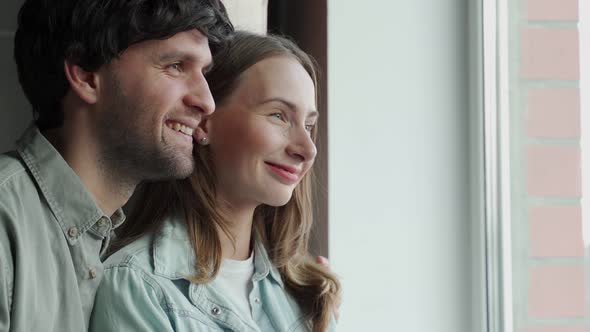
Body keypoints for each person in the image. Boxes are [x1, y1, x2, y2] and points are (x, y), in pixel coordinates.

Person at [0, 0, 233, 330]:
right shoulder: (6, 224)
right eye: (176, 66)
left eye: (203, 73)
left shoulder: (116, 244)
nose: (206, 102)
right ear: (85, 74)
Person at [90, 31, 341, 332]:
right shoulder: (138, 286)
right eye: (279, 115)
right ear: (205, 120)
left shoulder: (304, 294)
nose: (307, 148)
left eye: (309, 125)